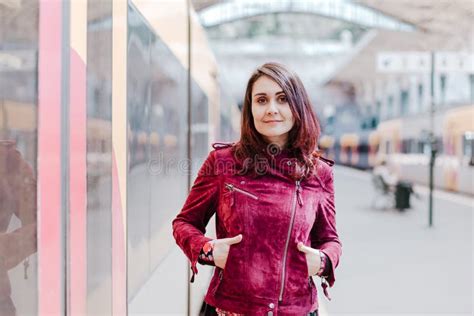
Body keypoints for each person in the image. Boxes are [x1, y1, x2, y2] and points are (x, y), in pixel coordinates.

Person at [172, 62, 342, 315]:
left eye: (282, 99)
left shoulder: (318, 173)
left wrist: (323, 261)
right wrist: (208, 250)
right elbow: (184, 222)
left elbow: (329, 239)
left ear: (298, 106)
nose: (271, 109)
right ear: (250, 109)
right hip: (231, 309)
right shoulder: (222, 163)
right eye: (261, 100)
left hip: (297, 309)